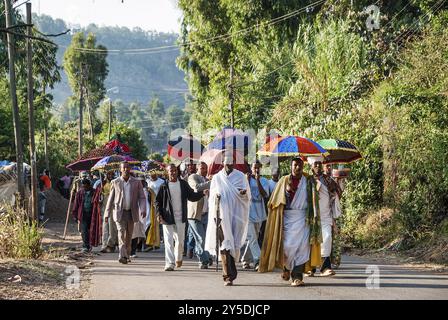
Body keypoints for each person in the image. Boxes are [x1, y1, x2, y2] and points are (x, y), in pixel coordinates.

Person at [258, 158, 321, 287]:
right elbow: (274, 202)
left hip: (304, 218)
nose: (297, 167)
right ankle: (286, 268)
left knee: (303, 248)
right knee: (287, 247)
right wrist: (286, 192)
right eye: (295, 165)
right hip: (287, 218)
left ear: (303, 166)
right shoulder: (283, 180)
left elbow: (315, 199)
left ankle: (297, 276)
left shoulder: (308, 181)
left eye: (300, 165)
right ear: (291, 166)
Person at [205, 153, 251, 286]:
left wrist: (243, 193)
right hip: (221, 216)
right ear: (223, 163)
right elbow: (211, 196)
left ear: (234, 163)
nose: (228, 166)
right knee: (224, 244)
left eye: (231, 164)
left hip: (237, 215)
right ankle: (227, 276)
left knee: (234, 244)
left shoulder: (241, 176)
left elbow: (248, 195)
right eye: (226, 164)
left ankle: (232, 270)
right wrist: (215, 197)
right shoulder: (217, 178)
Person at [155, 163, 204, 271]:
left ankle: (178, 258)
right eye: (170, 171)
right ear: (167, 173)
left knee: (180, 241)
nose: (172, 173)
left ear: (177, 172)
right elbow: (157, 202)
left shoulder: (183, 184)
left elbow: (192, 196)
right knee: (168, 241)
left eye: (174, 171)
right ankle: (169, 263)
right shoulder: (163, 186)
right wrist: (159, 215)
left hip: (181, 217)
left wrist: (202, 193)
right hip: (167, 217)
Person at [105, 162, 147, 264]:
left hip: (132, 212)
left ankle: (127, 255)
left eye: (128, 168)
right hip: (119, 212)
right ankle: (121, 255)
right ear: (120, 169)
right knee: (121, 233)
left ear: (130, 169)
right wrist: (107, 213)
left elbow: (142, 197)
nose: (126, 170)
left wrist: (143, 209)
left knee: (129, 235)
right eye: (124, 168)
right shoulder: (115, 182)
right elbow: (110, 199)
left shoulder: (137, 182)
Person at [308, 157, 342, 277]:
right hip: (311, 216)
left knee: (327, 239)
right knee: (311, 242)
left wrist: (336, 186)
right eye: (315, 164)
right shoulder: (307, 179)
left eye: (319, 164)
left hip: (326, 215)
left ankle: (325, 268)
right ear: (311, 166)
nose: (317, 166)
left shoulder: (328, 180)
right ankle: (309, 268)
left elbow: (337, 194)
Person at [241, 161, 270, 271]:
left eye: (258, 168)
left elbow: (264, 194)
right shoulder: (245, 179)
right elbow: (243, 193)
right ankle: (258, 260)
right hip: (248, 212)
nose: (256, 170)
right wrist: (247, 181)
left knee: (254, 238)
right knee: (252, 237)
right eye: (254, 168)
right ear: (251, 168)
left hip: (259, 212)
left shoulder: (264, 181)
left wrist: (258, 181)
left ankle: (245, 259)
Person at [187, 161, 212, 269]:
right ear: (197, 168)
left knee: (206, 238)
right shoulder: (193, 177)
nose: (204, 170)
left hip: (207, 213)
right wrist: (211, 182)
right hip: (195, 214)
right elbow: (197, 187)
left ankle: (206, 257)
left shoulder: (207, 179)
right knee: (200, 238)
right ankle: (203, 260)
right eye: (202, 168)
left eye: (205, 168)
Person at [72, 179, 97, 253]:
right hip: (83, 214)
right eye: (83, 187)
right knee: (84, 230)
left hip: (92, 214)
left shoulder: (95, 192)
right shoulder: (80, 193)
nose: (85, 188)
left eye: (86, 187)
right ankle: (85, 246)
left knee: (91, 230)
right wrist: (75, 215)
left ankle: (90, 244)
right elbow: (76, 204)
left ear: (89, 186)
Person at [99, 171, 118, 253]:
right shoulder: (102, 183)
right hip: (105, 206)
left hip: (113, 206)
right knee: (105, 226)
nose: (110, 176)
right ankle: (104, 245)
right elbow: (99, 195)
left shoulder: (116, 182)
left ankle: (111, 244)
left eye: (111, 174)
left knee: (112, 226)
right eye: (108, 174)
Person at [145, 170, 165, 251]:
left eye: (153, 174)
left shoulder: (162, 182)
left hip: (159, 205)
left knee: (159, 224)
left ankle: (156, 243)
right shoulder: (147, 182)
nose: (152, 175)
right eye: (150, 174)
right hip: (149, 205)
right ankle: (149, 243)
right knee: (149, 223)